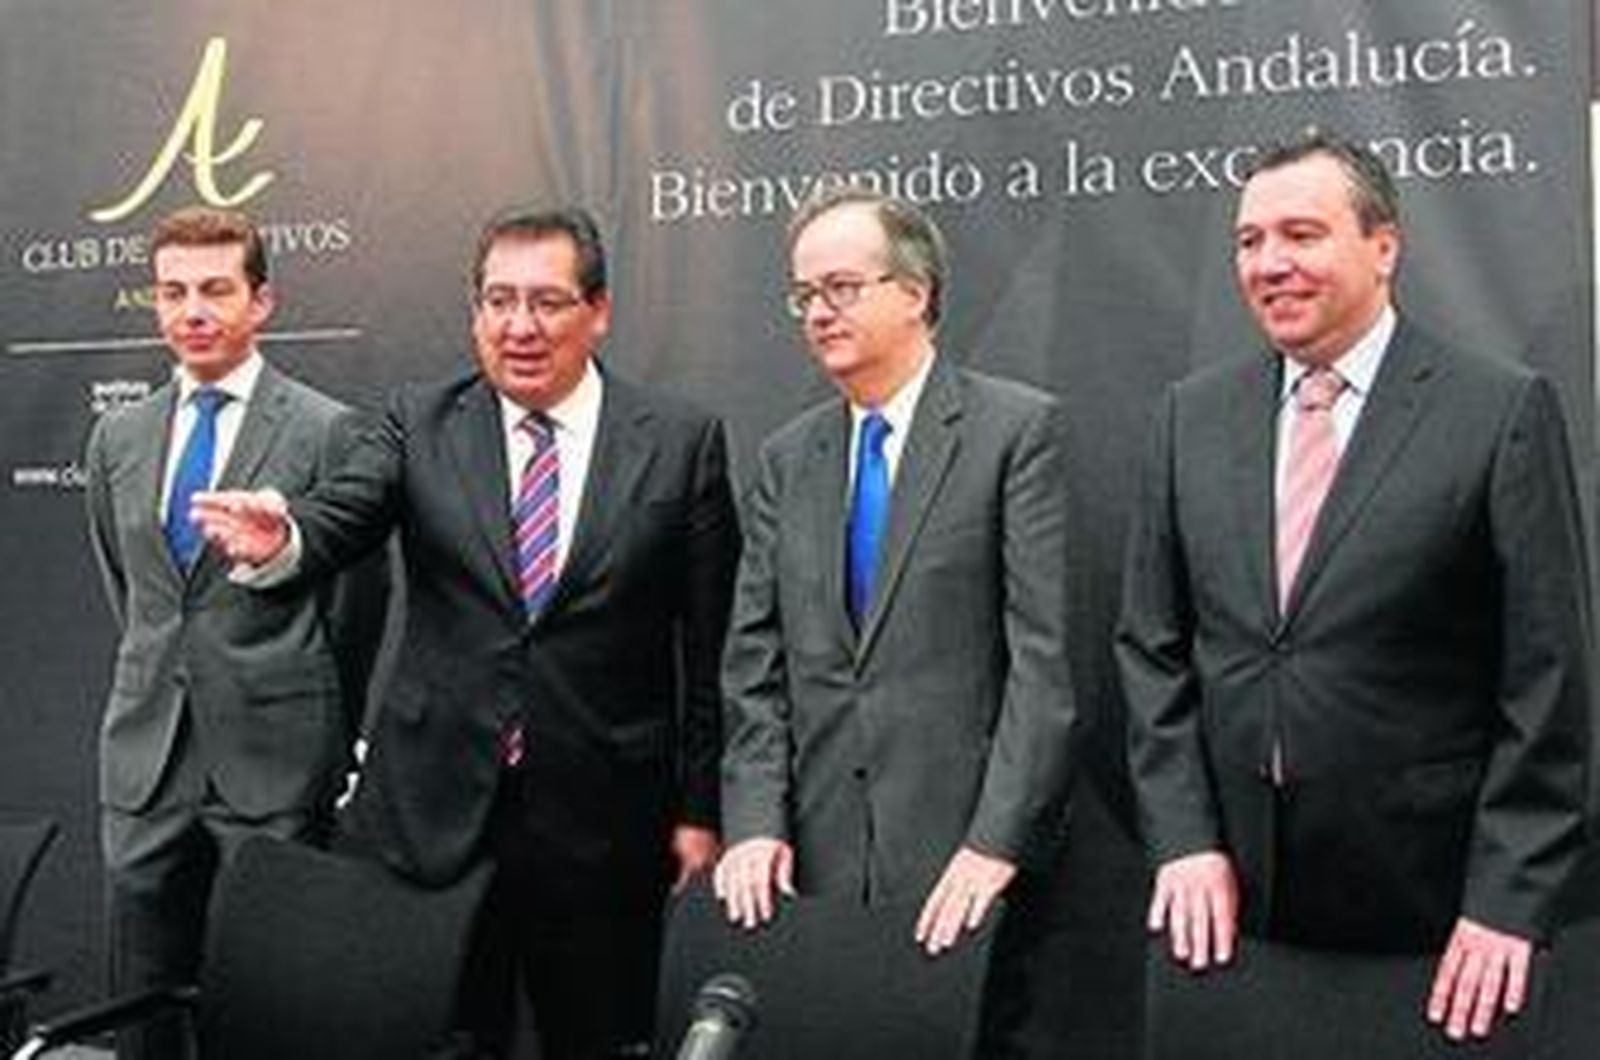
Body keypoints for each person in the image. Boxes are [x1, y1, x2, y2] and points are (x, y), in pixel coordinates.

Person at [191, 206, 739, 1059]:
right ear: (474, 311)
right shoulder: (420, 419)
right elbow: (345, 513)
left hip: (603, 822)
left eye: (548, 302)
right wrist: (287, 534)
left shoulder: (679, 441)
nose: (520, 326)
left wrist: (701, 811)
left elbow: (709, 648)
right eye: (498, 301)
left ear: (599, 311)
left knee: (594, 1039)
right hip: (429, 816)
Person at [1116, 130, 1592, 1043]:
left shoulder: (1497, 412)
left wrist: (1508, 896)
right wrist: (1182, 839)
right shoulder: (1190, 418)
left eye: (1301, 233)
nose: (1270, 263)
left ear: (1384, 246)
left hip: (1431, 925)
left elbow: (1549, 681)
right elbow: (1151, 646)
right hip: (1228, 915)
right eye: (1250, 241)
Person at [714, 187, 1079, 1047]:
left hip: (964, 865)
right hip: (814, 866)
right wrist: (757, 823)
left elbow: (1043, 667)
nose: (817, 312)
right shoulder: (787, 457)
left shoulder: (1013, 432)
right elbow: (752, 668)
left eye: (841, 287)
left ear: (915, 292)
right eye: (803, 295)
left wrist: (997, 843)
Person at [84, 206, 388, 1060]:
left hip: (276, 762)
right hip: (146, 764)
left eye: (216, 289)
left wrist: (319, 725)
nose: (194, 311)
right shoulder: (118, 435)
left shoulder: (327, 429)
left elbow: (357, 603)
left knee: (266, 1006)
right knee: (138, 1012)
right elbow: (139, 595)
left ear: (263, 302)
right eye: (173, 292)